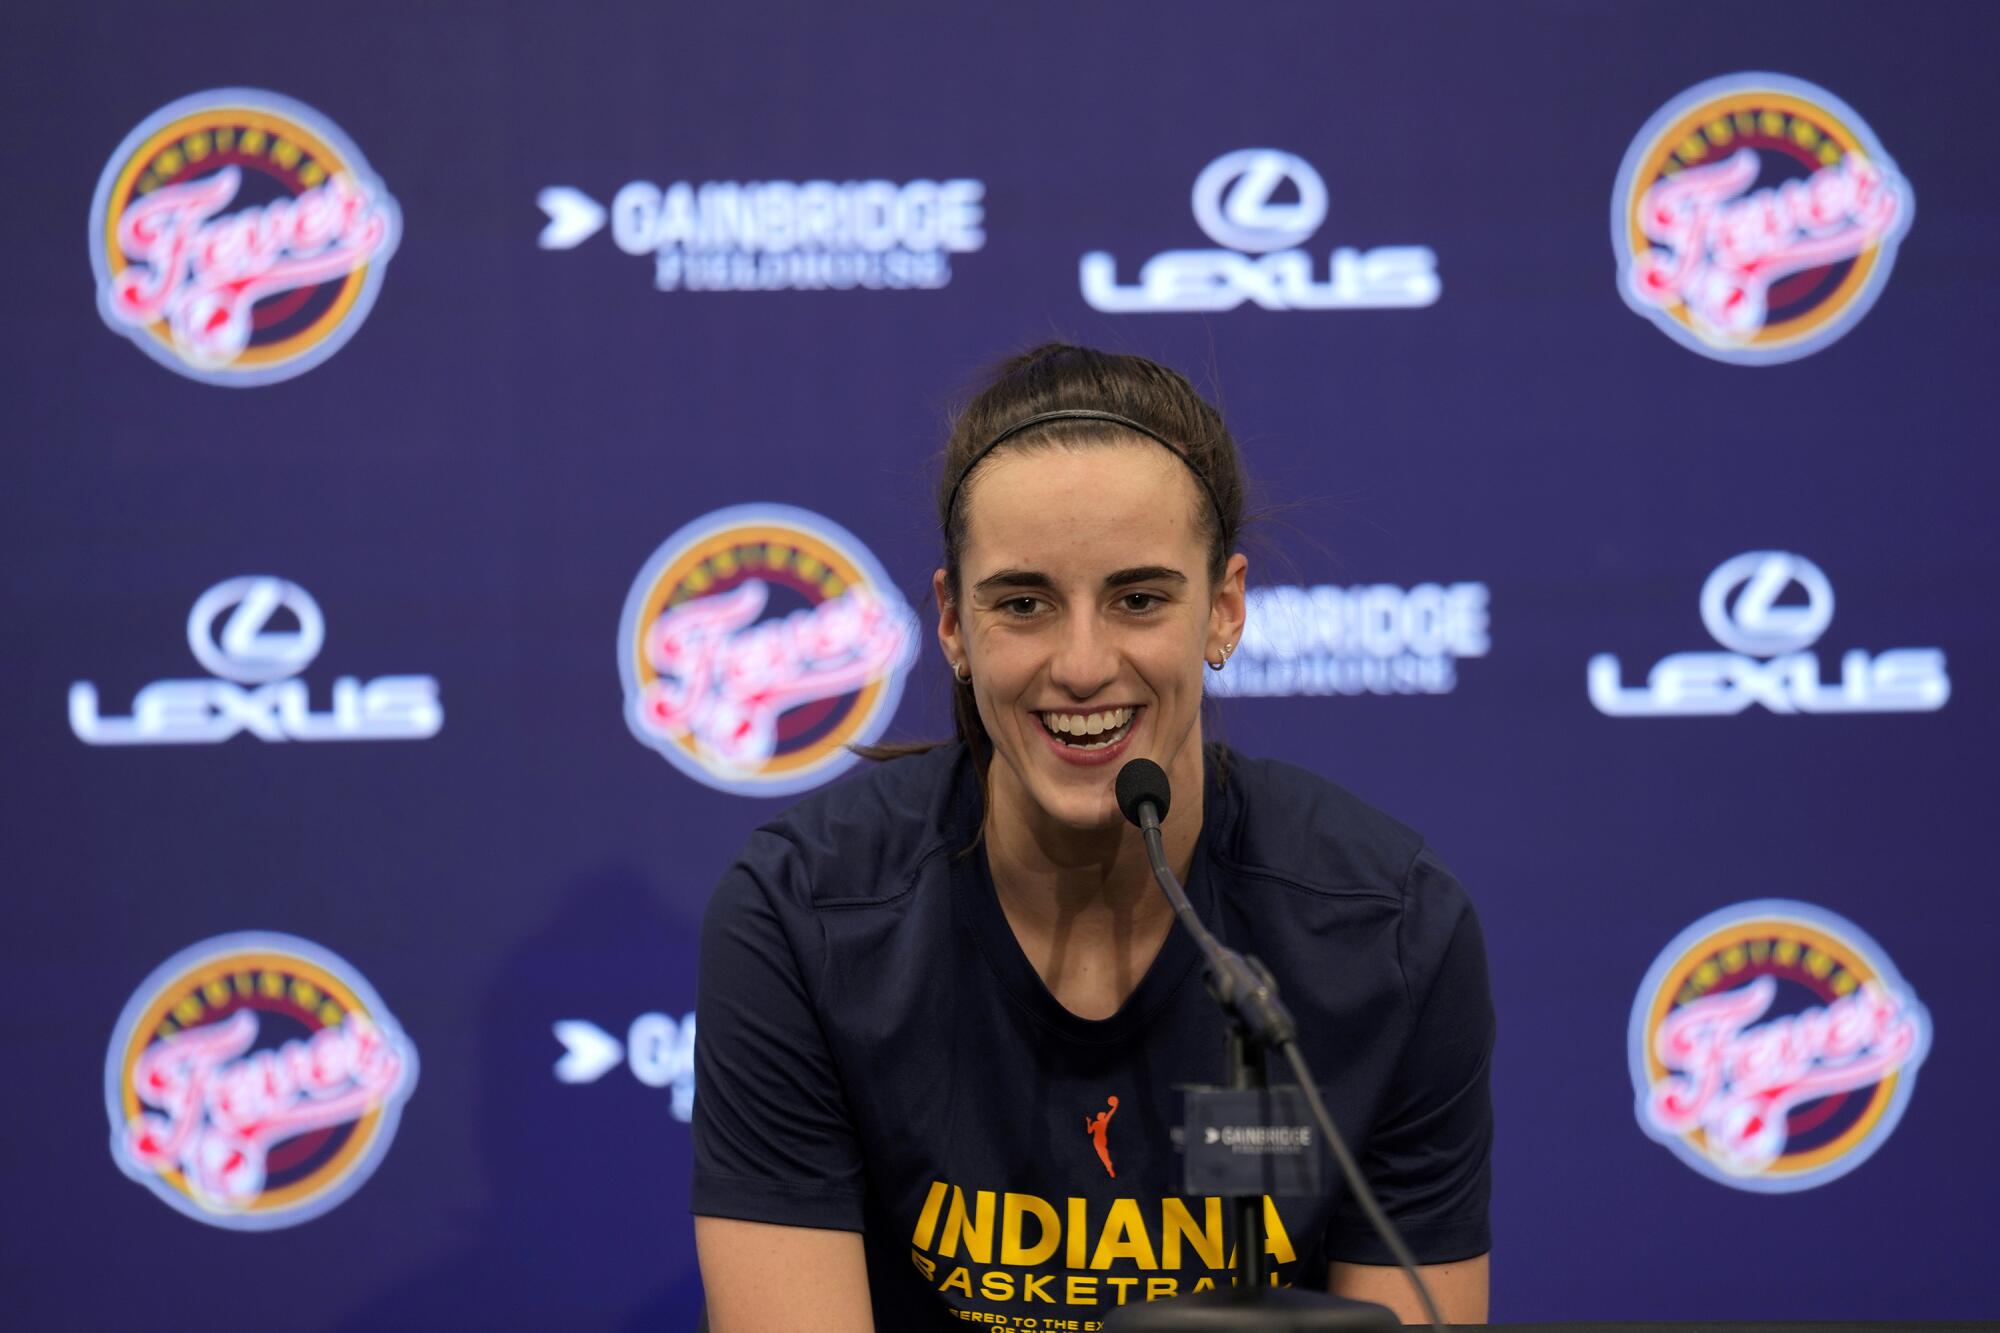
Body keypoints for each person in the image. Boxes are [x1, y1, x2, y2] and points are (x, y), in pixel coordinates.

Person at [691, 344, 1493, 1329]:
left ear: (1224, 608)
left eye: (1138, 599)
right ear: (950, 623)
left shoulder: (1388, 931)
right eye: (1022, 603)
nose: (1080, 663)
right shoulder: (802, 917)